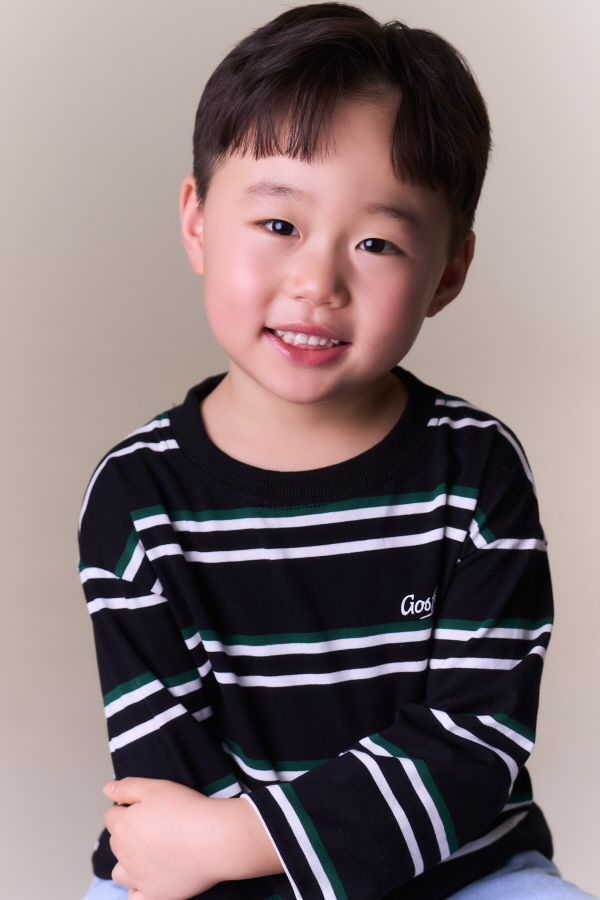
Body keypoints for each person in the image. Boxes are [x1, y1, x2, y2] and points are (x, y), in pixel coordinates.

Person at [78, 4, 596, 900]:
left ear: (447, 272)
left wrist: (251, 838)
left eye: (377, 242)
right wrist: (224, 847)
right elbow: (169, 796)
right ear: (197, 221)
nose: (318, 282)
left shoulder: (476, 473)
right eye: (279, 225)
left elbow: (471, 748)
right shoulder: (135, 495)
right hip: (207, 868)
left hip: (460, 867)